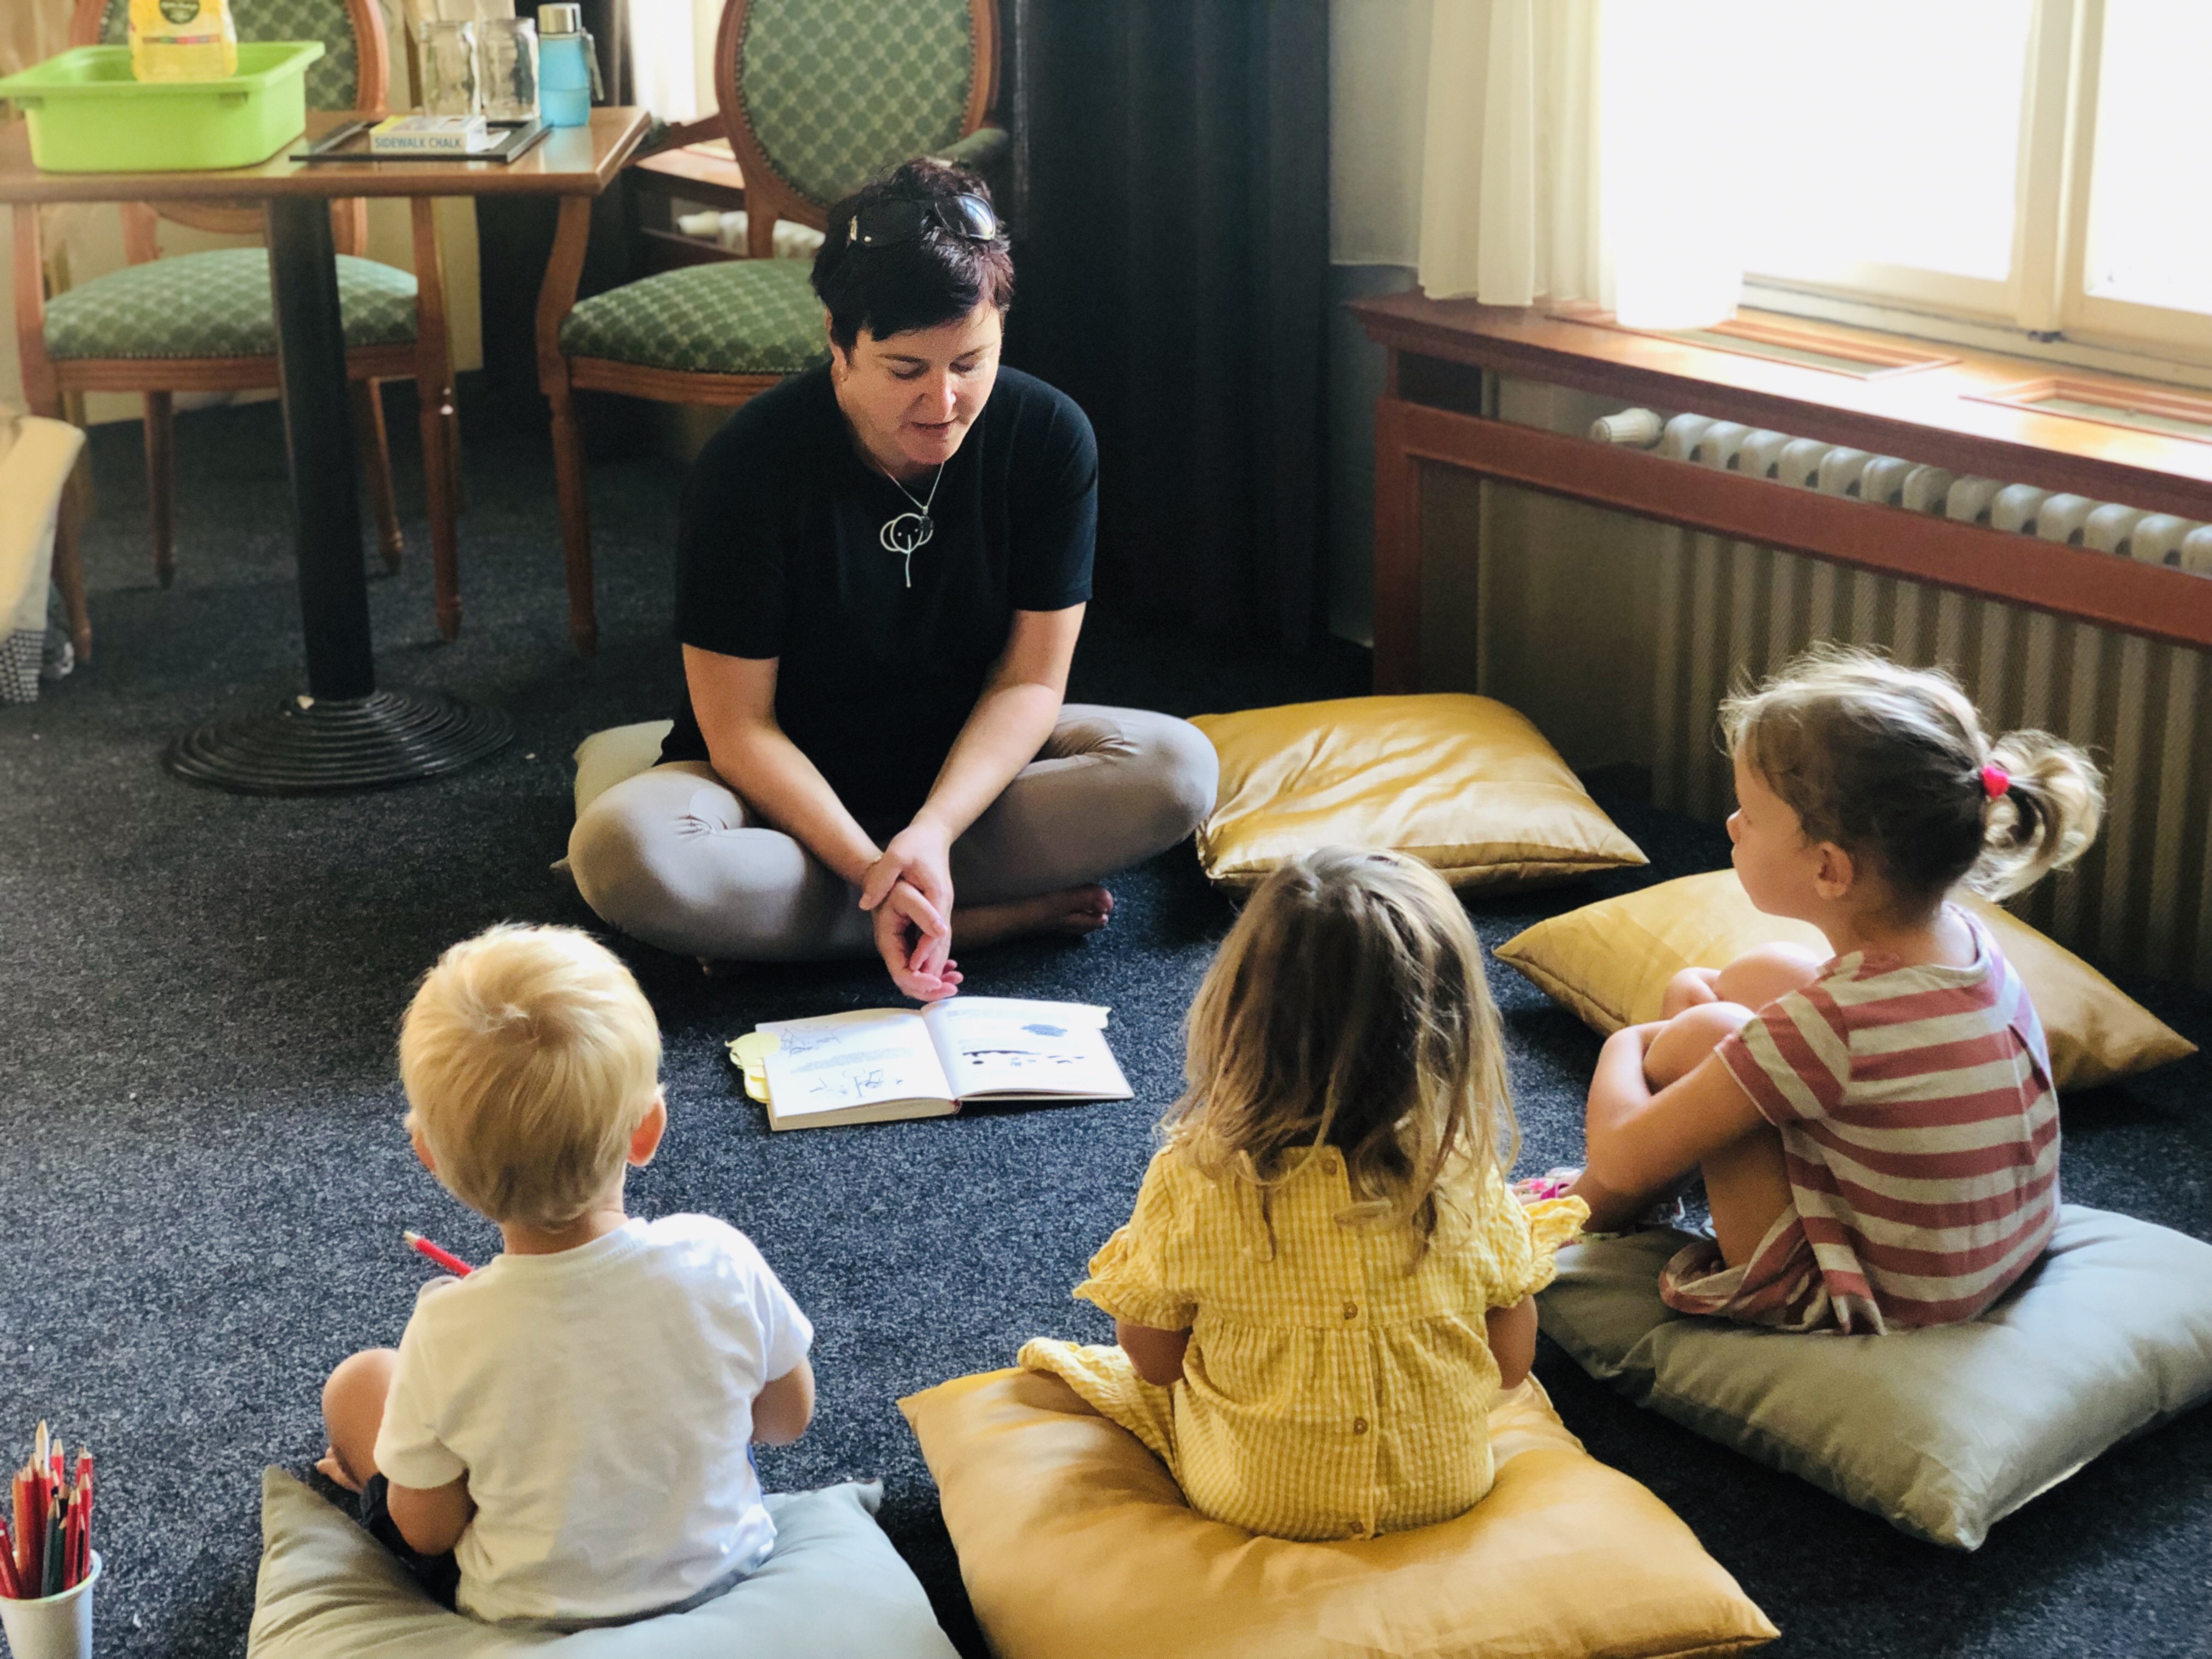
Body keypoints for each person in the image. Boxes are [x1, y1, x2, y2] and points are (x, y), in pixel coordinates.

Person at [567, 158, 1217, 1001]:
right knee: (622, 853)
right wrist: (869, 864)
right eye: (906, 370)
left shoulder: (1052, 438)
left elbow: (1029, 683)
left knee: (1179, 769)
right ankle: (970, 918)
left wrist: (933, 832)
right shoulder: (746, 466)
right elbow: (741, 732)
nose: (943, 404)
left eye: (971, 363)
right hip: (775, 793)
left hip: (964, 781)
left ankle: (800, 928)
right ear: (839, 344)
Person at [1019, 848, 1587, 1541]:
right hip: (1447, 1489)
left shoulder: (1194, 1176)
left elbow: (1155, 1360)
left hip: (1254, 1503)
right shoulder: (1463, 1171)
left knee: (1117, 1380)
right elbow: (1512, 1365)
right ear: (1453, 1028)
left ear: (1237, 1014)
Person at [1562, 646, 2104, 1333]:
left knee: (1704, 1034)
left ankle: (1570, 1222)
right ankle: (1667, 1129)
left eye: (1749, 815)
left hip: (1869, 1296)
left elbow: (1620, 1159)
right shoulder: (1969, 945)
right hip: (1985, 1254)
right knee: (1763, 974)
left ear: (1829, 870)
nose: (1731, 826)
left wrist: (1627, 1042)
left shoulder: (1835, 1025)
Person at [317, 924, 816, 1627]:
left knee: (360, 1382)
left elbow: (429, 1531)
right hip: (726, 1576)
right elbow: (787, 1421)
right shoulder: (718, 1257)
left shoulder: (449, 1328)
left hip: (529, 1620)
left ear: (431, 1158)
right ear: (647, 1129)